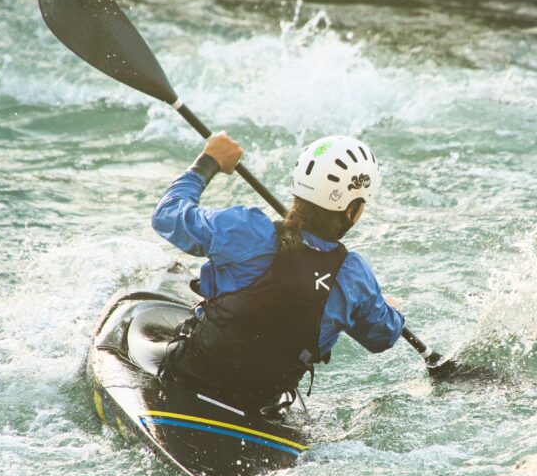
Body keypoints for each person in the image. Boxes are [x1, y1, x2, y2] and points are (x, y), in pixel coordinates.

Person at [151, 132, 404, 412]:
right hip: (256, 403)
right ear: (353, 210)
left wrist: (207, 162)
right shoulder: (354, 277)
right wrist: (386, 308)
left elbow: (168, 216)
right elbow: (383, 336)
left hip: (189, 379)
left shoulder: (246, 229)